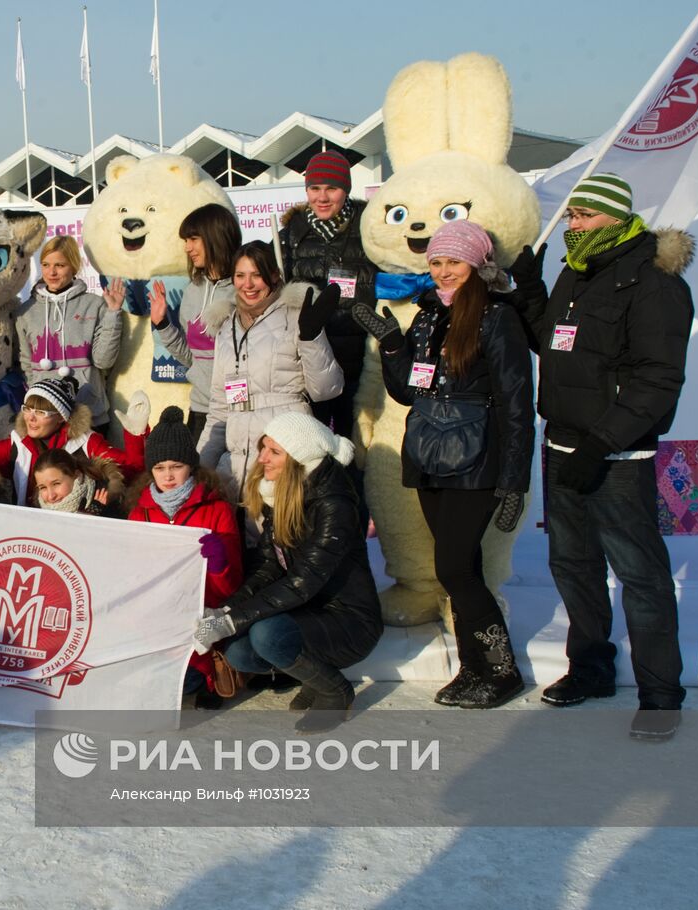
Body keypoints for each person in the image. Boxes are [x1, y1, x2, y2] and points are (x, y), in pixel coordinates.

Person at [509, 173, 695, 741]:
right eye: (570, 216)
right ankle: (590, 668)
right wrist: (531, 293)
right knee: (573, 565)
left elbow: (658, 379)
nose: (572, 226)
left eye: (582, 217)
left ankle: (661, 694)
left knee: (639, 575)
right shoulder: (578, 271)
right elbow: (556, 343)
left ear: (614, 217)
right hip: (561, 442)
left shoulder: (653, 283)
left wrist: (601, 442)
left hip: (617, 455)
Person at [353, 218, 534, 709]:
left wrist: (515, 479)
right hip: (430, 453)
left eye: (453, 261)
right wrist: (393, 344)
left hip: (478, 459)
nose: (443, 271)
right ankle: (475, 666)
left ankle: (501, 670)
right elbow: (407, 389)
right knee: (462, 566)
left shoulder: (498, 317)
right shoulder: (428, 315)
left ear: (477, 264)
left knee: (453, 568)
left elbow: (517, 402)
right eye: (436, 262)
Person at [194, 412, 382, 732]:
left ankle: (335, 690)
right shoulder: (279, 493)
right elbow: (268, 565)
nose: (262, 458)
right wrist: (226, 609)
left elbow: (303, 582)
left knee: (266, 636)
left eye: (274, 451)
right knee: (239, 652)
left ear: (298, 458)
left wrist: (231, 621)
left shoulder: (334, 504)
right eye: (263, 447)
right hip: (310, 612)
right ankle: (315, 673)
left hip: (350, 620)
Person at [197, 241, 344, 502]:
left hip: (282, 456)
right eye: (240, 276)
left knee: (278, 538)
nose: (248, 285)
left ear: (274, 275)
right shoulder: (225, 326)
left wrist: (311, 337)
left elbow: (326, 389)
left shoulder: (297, 315)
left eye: (257, 275)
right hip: (235, 462)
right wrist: (199, 468)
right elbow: (219, 408)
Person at [127, 406, 243, 708]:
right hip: (157, 618)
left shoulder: (215, 509)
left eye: (176, 466)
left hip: (201, 615)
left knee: (182, 680)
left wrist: (219, 564)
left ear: (191, 466)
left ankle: (206, 674)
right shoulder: (141, 513)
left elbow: (232, 587)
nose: (168, 475)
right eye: (160, 467)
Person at [0, 373, 149, 507]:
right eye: (27, 408)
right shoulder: (18, 443)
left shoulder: (86, 442)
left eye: (40, 412)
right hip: (31, 529)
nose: (30, 417)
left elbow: (130, 469)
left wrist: (136, 435)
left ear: (61, 417)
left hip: (76, 527)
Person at [278, 150, 377, 439]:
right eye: (315, 188)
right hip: (309, 358)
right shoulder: (290, 236)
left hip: (356, 358)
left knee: (353, 441)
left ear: (345, 190)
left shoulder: (367, 230)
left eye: (331, 189)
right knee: (313, 438)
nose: (322, 197)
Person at [147, 204, 242, 440]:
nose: (187, 247)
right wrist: (162, 324)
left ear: (215, 236)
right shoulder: (193, 290)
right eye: (185, 240)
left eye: (193, 239)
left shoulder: (244, 289)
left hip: (239, 409)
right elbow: (192, 359)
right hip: (201, 408)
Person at [15, 235, 124, 432]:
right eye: (46, 265)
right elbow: (26, 363)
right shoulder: (26, 312)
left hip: (89, 412)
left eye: (60, 265)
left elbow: (103, 361)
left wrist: (113, 314)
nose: (52, 272)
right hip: (45, 418)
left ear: (73, 266)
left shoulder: (94, 304)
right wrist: (38, 398)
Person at [31, 448, 124, 518]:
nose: (51, 496)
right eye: (43, 487)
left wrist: (99, 517)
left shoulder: (105, 498)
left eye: (56, 484)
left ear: (76, 475)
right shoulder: (35, 511)